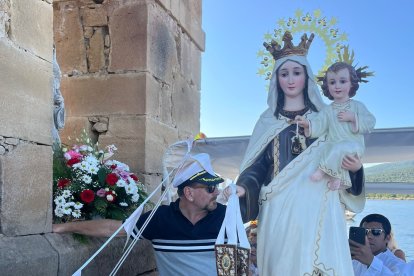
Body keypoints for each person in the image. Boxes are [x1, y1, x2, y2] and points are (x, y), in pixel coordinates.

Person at [235, 31, 366, 275]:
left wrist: (356, 170)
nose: (291, 80)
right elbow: (257, 166)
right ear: (276, 78)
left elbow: (345, 147)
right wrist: (243, 187)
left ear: (307, 77)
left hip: (320, 206)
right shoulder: (266, 122)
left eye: (297, 73)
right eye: (284, 74)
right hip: (278, 208)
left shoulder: (326, 117)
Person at [53, 153, 241, 276]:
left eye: (216, 187)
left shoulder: (227, 217)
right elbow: (114, 228)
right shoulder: (160, 218)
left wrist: (245, 190)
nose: (216, 192)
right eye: (210, 188)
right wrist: (64, 227)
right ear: (189, 194)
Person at [296, 62, 376, 190]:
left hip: (353, 146)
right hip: (333, 146)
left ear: (351, 83)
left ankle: (322, 171)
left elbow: (371, 121)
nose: (337, 86)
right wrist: (308, 124)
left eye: (342, 81)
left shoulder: (357, 106)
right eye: (332, 82)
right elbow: (319, 124)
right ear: (327, 86)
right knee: (331, 149)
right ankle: (338, 179)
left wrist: (353, 117)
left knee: (341, 147)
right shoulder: (328, 110)